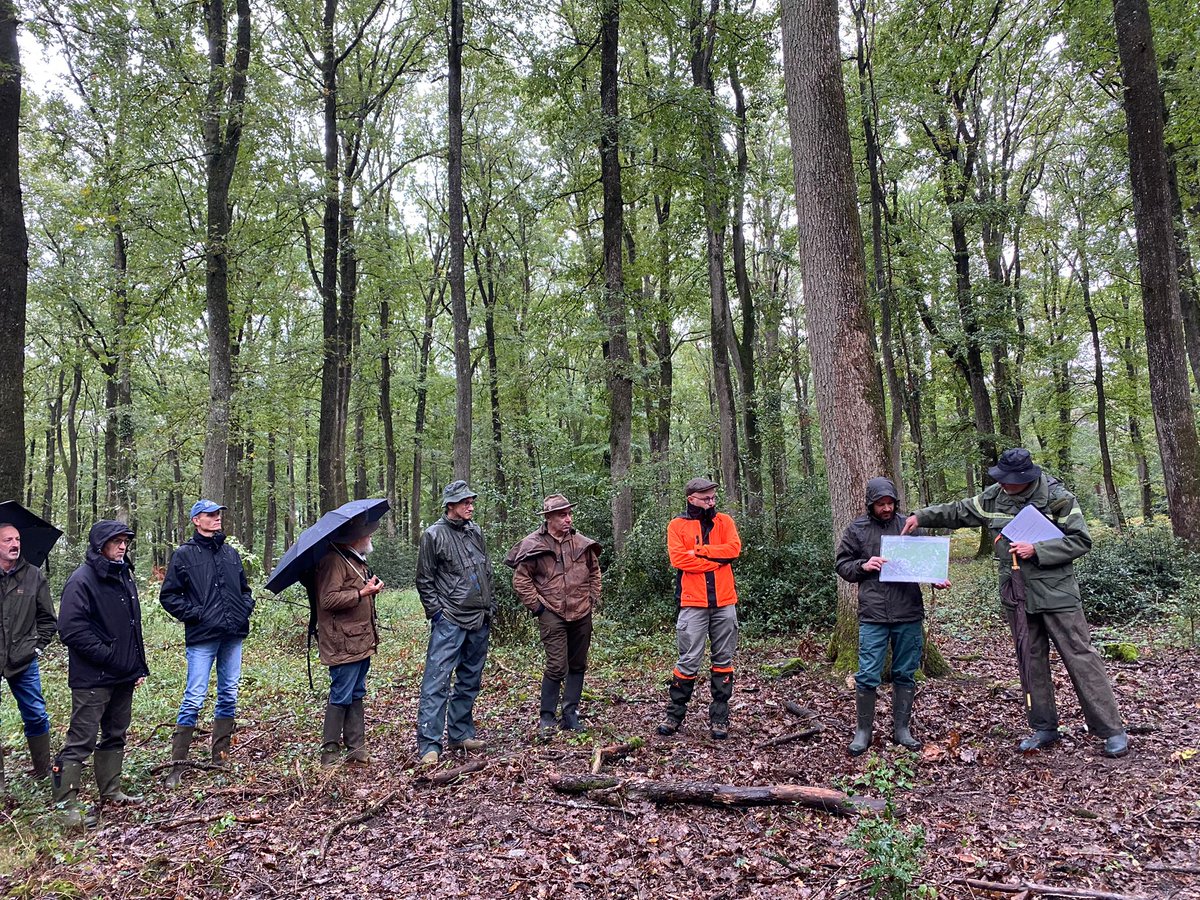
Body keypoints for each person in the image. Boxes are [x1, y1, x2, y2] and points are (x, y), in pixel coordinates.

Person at [902, 448, 1130, 758]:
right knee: (1030, 659)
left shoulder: (1057, 496)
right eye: (1002, 480)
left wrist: (1037, 549)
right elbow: (959, 511)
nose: (1005, 485)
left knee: (1080, 656)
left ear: (1026, 478)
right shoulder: (994, 497)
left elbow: (1080, 540)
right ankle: (1044, 727)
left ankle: (1111, 730)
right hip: (1017, 593)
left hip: (1057, 593)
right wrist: (921, 516)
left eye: (1011, 481)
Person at [836, 477, 949, 756]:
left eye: (890, 503)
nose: (886, 508)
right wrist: (864, 565)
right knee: (867, 673)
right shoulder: (857, 529)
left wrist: (934, 578)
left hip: (908, 611)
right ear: (870, 505)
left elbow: (924, 562)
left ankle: (902, 729)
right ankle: (863, 732)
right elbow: (842, 564)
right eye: (880, 504)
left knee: (905, 672)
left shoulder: (908, 526)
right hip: (873, 613)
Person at [53, 521, 149, 827]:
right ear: (100, 545)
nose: (122, 546)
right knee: (81, 739)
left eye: (125, 541)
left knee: (116, 732)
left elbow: (133, 628)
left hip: (122, 674)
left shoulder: (124, 576)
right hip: (92, 677)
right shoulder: (82, 580)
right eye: (116, 541)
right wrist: (109, 656)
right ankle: (67, 806)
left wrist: (135, 666)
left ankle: (111, 790)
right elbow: (70, 630)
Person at [159, 500, 255, 787]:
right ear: (196, 520)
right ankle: (177, 766)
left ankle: (220, 758)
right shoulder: (184, 555)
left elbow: (245, 589)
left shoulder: (230, 554)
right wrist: (197, 614)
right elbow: (169, 596)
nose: (217, 519)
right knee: (194, 696)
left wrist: (243, 608)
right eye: (211, 515)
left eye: (218, 514)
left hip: (232, 634)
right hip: (202, 636)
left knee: (229, 693)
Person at [504, 495, 602, 740]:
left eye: (569, 514)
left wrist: (592, 597)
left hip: (581, 611)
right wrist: (537, 607)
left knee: (578, 664)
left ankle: (571, 714)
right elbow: (521, 579)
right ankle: (547, 717)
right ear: (548, 518)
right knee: (557, 665)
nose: (568, 519)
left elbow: (594, 571)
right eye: (562, 515)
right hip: (551, 611)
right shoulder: (532, 544)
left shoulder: (581, 543)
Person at [415, 481, 496, 765]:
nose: (470, 506)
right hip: (449, 619)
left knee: (470, 678)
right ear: (450, 505)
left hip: (480, 616)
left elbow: (485, 568)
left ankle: (460, 733)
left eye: (471, 501)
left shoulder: (476, 531)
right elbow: (424, 580)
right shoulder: (433, 535)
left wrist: (490, 605)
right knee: (436, 680)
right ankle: (429, 745)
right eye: (464, 502)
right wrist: (437, 613)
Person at [658, 477, 742, 740]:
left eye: (713, 497)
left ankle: (719, 718)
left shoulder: (725, 522)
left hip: (724, 602)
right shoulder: (677, 525)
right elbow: (679, 559)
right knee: (688, 660)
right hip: (692, 602)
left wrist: (701, 552)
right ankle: (674, 715)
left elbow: (734, 550)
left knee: (723, 659)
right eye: (706, 497)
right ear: (691, 498)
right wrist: (716, 561)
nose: (711, 501)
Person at [315, 519, 384, 766]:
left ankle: (356, 748)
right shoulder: (334, 560)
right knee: (341, 693)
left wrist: (370, 590)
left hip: (360, 641)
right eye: (368, 534)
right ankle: (330, 753)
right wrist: (361, 593)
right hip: (342, 642)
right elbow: (328, 600)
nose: (371, 538)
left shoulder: (354, 560)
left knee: (356, 692)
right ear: (357, 537)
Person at [0, 522, 57, 781]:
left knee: (35, 714)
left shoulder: (33, 575)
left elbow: (48, 619)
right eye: (7, 540)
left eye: (17, 539)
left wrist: (36, 647)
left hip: (23, 658)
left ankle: (43, 771)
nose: (14, 544)